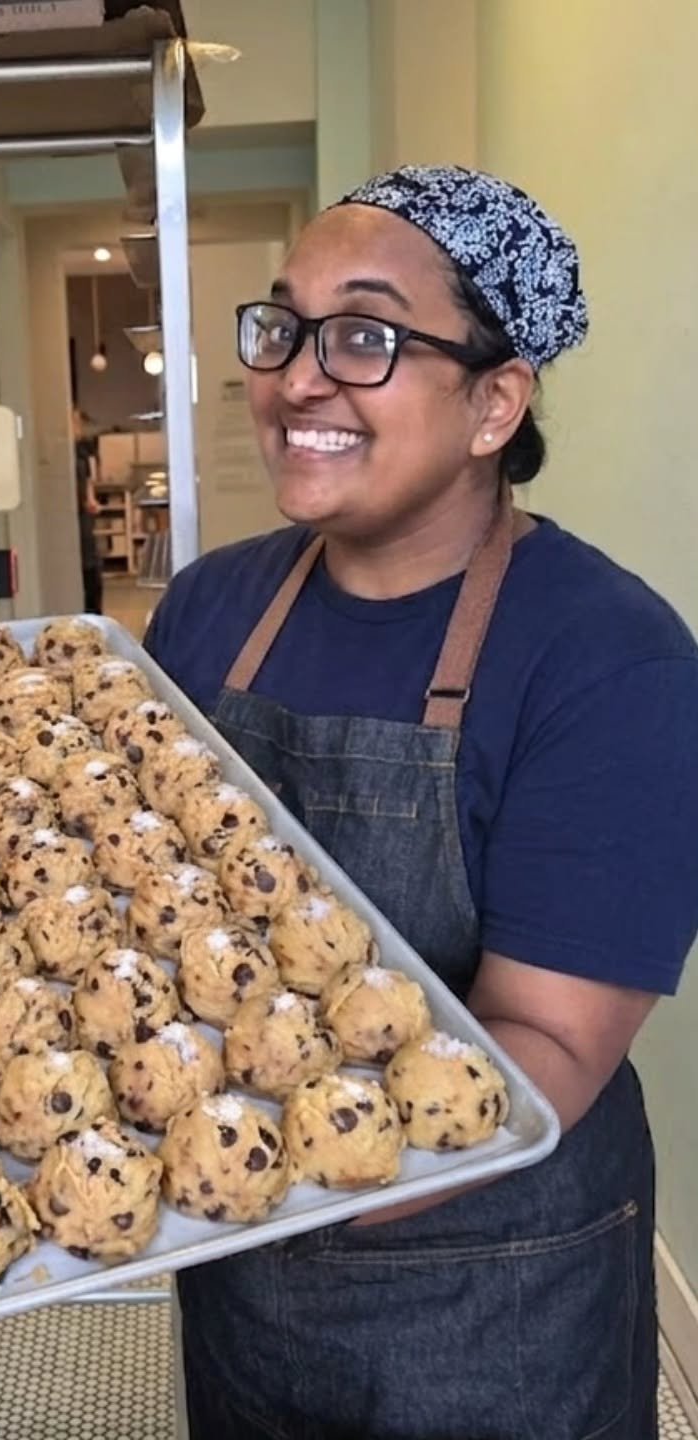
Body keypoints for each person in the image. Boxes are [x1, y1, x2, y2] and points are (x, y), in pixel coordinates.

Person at [145, 165, 698, 1439]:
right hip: (244, 1272)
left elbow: (544, 1052)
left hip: (492, 1295)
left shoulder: (607, 657)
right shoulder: (211, 610)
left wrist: (222, 1162)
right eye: (282, 326)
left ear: (496, 401)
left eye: (367, 336)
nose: (295, 378)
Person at [73, 407, 103, 614]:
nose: (78, 427)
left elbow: (88, 479)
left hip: (84, 516)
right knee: (85, 568)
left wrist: (91, 499)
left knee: (91, 566)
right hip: (72, 519)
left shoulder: (82, 449)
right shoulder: (63, 453)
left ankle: (94, 614)